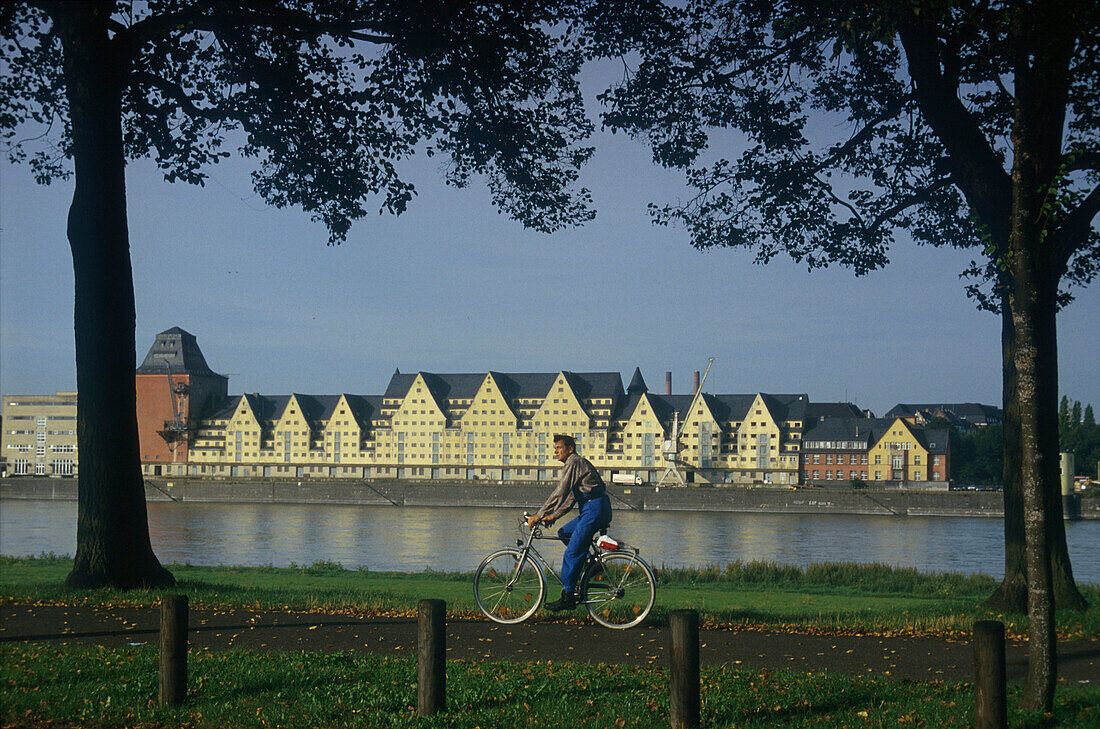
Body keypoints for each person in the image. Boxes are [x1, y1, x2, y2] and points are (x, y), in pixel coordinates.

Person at [526, 433, 612, 610]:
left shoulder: (573, 462)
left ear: (570, 449)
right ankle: (591, 564)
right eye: (555, 448)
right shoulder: (576, 464)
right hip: (594, 507)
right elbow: (571, 497)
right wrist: (553, 516)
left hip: (594, 509)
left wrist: (539, 514)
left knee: (571, 553)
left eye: (559, 448)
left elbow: (561, 491)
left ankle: (568, 596)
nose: (555, 451)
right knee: (564, 533)